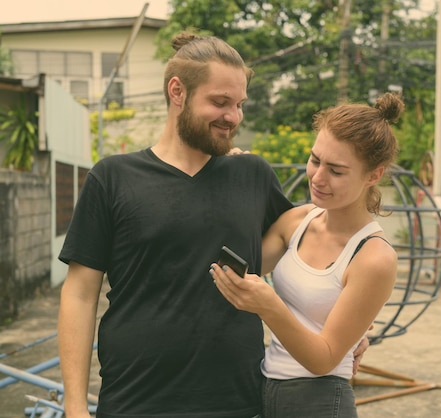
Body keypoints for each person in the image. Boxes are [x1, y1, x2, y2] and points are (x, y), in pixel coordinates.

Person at [57, 32, 298, 418]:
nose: (233, 116)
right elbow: (80, 295)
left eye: (239, 104)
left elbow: (312, 245)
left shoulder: (253, 175)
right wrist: (74, 407)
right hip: (134, 402)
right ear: (177, 91)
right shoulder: (113, 177)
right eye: (220, 102)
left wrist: (345, 335)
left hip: (237, 403)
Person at [211, 92, 404, 417]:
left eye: (336, 171)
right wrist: (229, 179)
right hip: (266, 389)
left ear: (374, 175)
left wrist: (269, 306)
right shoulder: (298, 221)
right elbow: (230, 268)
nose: (317, 177)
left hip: (319, 399)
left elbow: (325, 357)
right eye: (315, 160)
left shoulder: (374, 257)